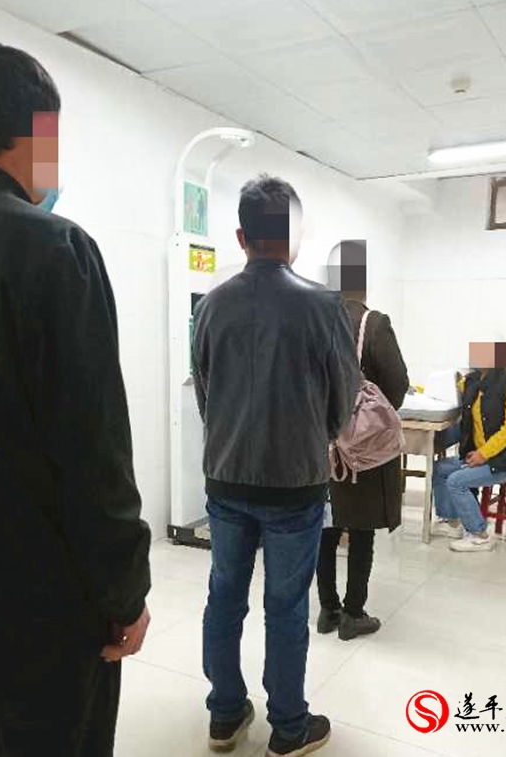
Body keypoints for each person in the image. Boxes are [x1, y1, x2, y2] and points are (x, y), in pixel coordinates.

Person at [0, 41, 151, 757]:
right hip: (39, 612)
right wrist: (124, 595)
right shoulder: (54, 250)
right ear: (36, 130)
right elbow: (92, 451)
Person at [192, 175, 360, 757]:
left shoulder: (211, 305)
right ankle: (288, 727)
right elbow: (344, 399)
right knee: (286, 607)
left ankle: (224, 714)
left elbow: (206, 394)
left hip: (225, 478)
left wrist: (229, 436)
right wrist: (318, 431)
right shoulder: (324, 305)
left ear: (241, 237)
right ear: (295, 236)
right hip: (294, 483)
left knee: (224, 596)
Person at [315, 240, 409, 641]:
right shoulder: (374, 324)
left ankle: (327, 610)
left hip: (320, 448)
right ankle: (354, 613)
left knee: (325, 528)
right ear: (363, 280)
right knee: (361, 530)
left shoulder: (315, 320)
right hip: (362, 451)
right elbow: (397, 385)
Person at [432, 341, 506, 552]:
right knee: (440, 468)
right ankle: (452, 522)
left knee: (456, 481)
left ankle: (480, 535)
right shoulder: (473, 382)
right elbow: (451, 392)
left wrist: (484, 454)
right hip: (482, 455)